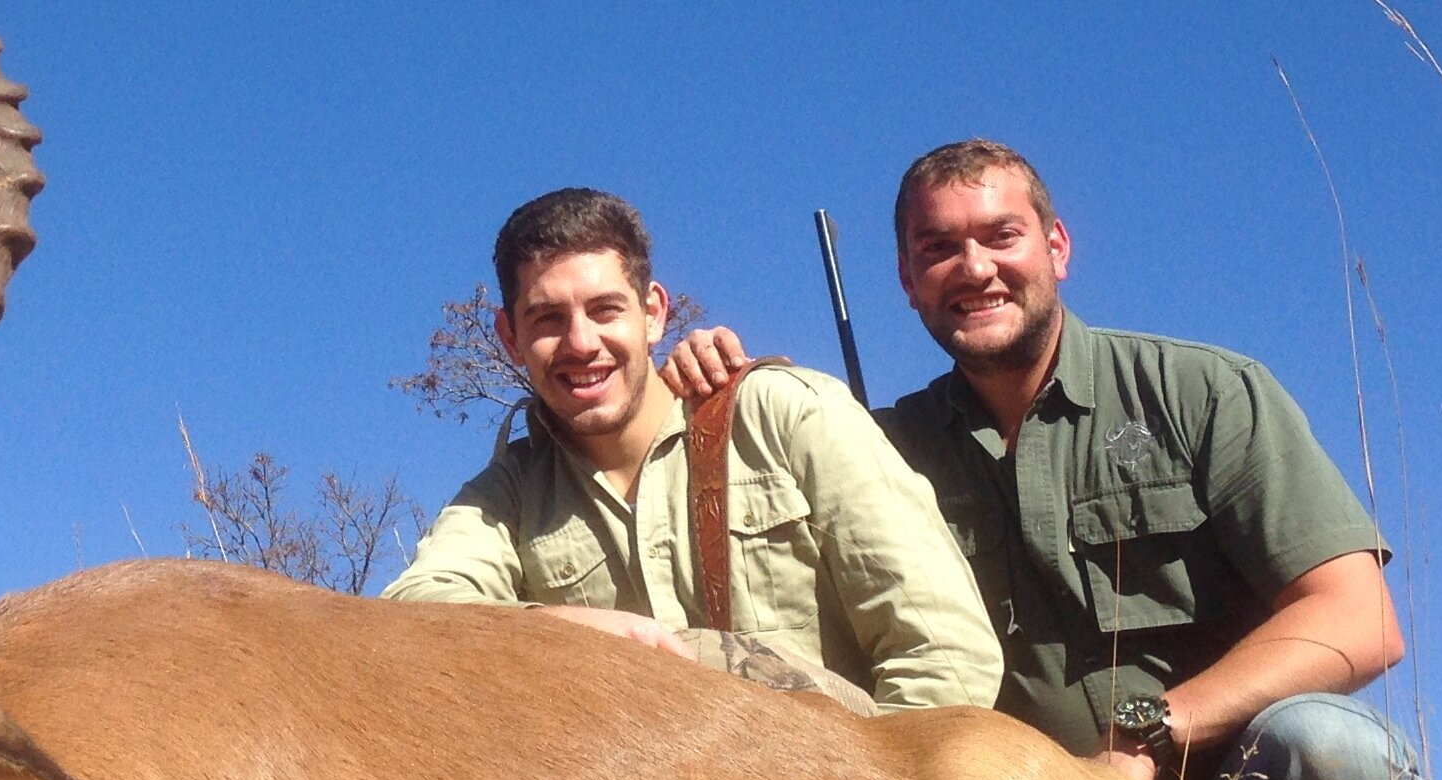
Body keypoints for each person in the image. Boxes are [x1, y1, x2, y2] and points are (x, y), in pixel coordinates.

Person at [668, 141, 1431, 780]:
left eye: (1001, 236)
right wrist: (722, 402)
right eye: (938, 250)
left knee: (1336, 754)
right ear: (908, 281)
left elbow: (1359, 618)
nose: (975, 269)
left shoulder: (1204, 392)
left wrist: (1146, 734)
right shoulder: (872, 447)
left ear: (1057, 248)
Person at [382, 187, 1001, 713]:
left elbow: (946, 652)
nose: (580, 342)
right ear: (510, 338)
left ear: (653, 314)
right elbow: (410, 621)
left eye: (605, 310)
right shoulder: (505, 498)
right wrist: (561, 629)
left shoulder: (783, 413)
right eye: (546, 320)